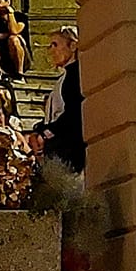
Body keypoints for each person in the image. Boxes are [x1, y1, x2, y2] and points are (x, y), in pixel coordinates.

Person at [39, 25, 85, 172]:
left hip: (69, 151)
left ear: (73, 46)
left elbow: (74, 112)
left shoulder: (75, 75)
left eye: (55, 45)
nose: (51, 50)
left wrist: (47, 132)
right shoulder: (65, 76)